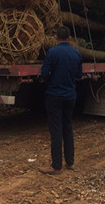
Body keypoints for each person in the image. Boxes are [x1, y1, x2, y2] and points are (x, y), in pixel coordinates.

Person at [39, 26, 83, 175]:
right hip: (70, 95)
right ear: (69, 38)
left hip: (54, 95)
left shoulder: (52, 52)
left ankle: (56, 166)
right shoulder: (76, 53)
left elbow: (44, 74)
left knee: (56, 130)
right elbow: (79, 74)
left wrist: (52, 78)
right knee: (68, 128)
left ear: (56, 38)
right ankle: (70, 162)